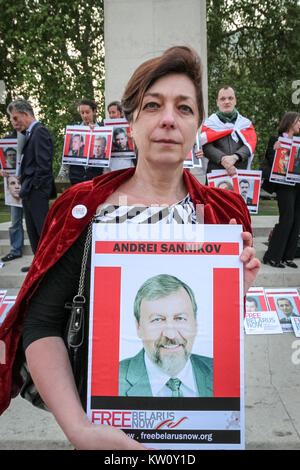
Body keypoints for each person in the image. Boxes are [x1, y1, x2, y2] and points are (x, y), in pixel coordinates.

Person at [1, 46, 260, 449]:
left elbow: (212, 334)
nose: (169, 120)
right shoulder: (85, 210)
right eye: (153, 105)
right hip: (105, 437)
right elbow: (41, 324)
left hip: (200, 436)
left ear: (196, 127)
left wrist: (233, 289)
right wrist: (80, 431)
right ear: (131, 121)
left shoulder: (222, 214)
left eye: (185, 109)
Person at [119, 274, 213, 397]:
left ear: (195, 324)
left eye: (180, 318)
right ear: (139, 328)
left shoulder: (222, 374)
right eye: (157, 320)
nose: (170, 334)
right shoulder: (113, 379)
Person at [7, 99, 56, 271]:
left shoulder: (39, 132)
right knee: (33, 231)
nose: (13, 123)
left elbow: (44, 165)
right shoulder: (29, 133)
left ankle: (47, 266)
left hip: (36, 191)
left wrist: (34, 187)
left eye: (15, 118)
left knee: (41, 230)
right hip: (29, 190)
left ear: (26, 114)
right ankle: (38, 263)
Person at [262, 111, 300, 268]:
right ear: (290, 122)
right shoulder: (276, 140)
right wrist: (276, 150)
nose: (299, 124)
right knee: (287, 218)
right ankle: (272, 256)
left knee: (297, 220)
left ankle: (288, 256)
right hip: (284, 186)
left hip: (298, 184)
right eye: (298, 121)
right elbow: (270, 161)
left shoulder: (299, 142)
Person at [199, 86, 257, 178]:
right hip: (215, 175)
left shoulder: (245, 124)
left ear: (235, 101)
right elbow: (206, 147)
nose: (227, 101)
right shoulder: (210, 123)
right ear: (217, 102)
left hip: (239, 173)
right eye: (222, 99)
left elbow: (250, 144)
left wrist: (235, 157)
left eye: (230, 98)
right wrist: (223, 159)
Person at [1, 124, 25, 262]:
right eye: (13, 118)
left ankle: (39, 251)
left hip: (29, 187)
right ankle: (16, 249)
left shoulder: (31, 136)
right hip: (13, 189)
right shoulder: (7, 140)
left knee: (34, 221)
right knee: (15, 221)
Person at [69, 99, 104, 186]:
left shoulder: (103, 128)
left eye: (87, 112)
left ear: (94, 111)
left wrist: (95, 130)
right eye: (82, 113)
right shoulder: (74, 127)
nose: (85, 116)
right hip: (76, 175)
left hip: (96, 176)